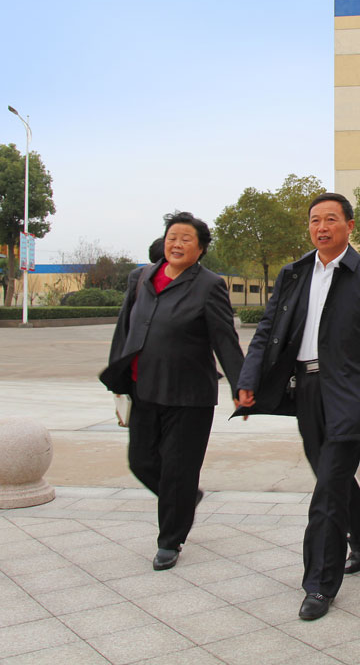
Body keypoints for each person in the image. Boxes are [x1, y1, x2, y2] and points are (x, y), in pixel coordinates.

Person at [235, 192, 360, 621]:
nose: (322, 227)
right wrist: (248, 379)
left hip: (351, 394)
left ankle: (319, 583)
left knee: (328, 489)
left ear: (350, 225)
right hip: (306, 389)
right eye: (315, 220)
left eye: (331, 219)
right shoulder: (294, 273)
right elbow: (266, 331)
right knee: (331, 478)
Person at [100, 212, 244, 571]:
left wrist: (242, 384)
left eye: (185, 239)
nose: (176, 244)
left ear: (201, 248)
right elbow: (125, 328)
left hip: (189, 394)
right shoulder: (141, 278)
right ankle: (184, 499)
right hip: (144, 388)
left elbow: (224, 339)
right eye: (172, 238)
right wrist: (118, 374)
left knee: (179, 469)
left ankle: (170, 540)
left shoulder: (209, 285)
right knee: (141, 461)